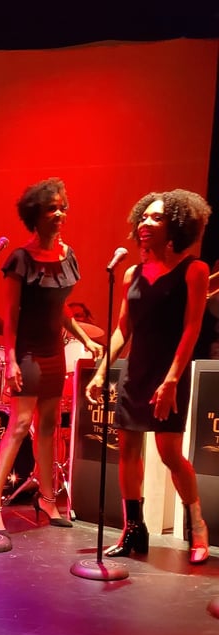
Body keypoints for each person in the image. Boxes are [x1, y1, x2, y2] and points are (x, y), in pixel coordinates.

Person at [86, 189, 211, 564]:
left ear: (176, 225)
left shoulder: (194, 270)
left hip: (169, 372)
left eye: (156, 217)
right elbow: (123, 329)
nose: (146, 223)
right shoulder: (131, 274)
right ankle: (133, 530)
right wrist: (102, 371)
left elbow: (191, 329)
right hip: (136, 371)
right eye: (144, 216)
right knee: (127, 450)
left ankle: (197, 525)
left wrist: (172, 380)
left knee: (169, 453)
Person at [0, 178, 104, 532]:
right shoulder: (21, 260)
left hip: (54, 351)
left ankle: (48, 500)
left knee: (49, 427)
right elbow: (11, 316)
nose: (59, 214)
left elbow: (60, 308)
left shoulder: (68, 256)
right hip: (28, 351)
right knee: (21, 424)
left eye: (62, 207)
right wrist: (11, 360)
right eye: (52, 208)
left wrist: (84, 338)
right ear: (35, 215)